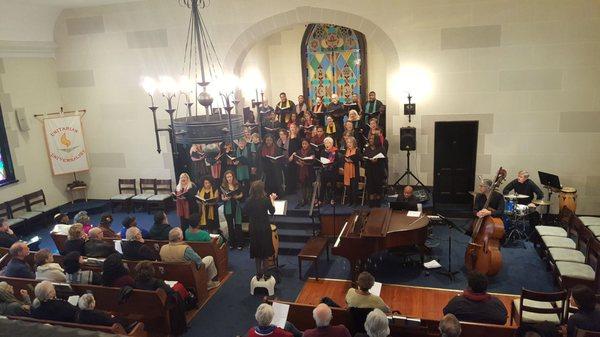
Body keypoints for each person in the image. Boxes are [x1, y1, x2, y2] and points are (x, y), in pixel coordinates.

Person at [443, 272, 508, 325]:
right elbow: (503, 320)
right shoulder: (496, 304)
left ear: (469, 288)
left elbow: (446, 313)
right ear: (485, 289)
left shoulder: (456, 303)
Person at [243, 181, 276, 280]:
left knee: (257, 253)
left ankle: (258, 274)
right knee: (265, 253)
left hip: (254, 228)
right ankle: (266, 274)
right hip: (264, 228)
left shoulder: (249, 200)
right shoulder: (265, 199)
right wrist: (272, 200)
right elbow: (272, 211)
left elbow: (244, 212)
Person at [222, 170, 244, 249]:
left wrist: (237, 197)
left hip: (236, 206)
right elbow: (222, 198)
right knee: (230, 226)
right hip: (228, 206)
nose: (229, 178)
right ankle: (232, 243)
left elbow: (241, 194)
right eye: (227, 177)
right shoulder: (223, 186)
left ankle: (240, 244)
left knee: (238, 225)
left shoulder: (237, 184)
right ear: (225, 178)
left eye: (230, 176)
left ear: (233, 176)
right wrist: (226, 198)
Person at [290, 138, 315, 207]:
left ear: (308, 144)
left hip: (309, 171)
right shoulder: (298, 151)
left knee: (309, 186)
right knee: (302, 186)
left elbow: (313, 161)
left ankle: (309, 199)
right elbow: (295, 159)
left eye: (305, 144)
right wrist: (299, 162)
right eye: (303, 144)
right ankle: (303, 200)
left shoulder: (311, 151)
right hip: (300, 170)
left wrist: (305, 163)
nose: (304, 145)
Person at [363, 135, 386, 207]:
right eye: (370, 139)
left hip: (378, 170)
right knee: (370, 187)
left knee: (378, 187)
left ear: (376, 140)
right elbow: (364, 157)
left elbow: (384, 159)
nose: (370, 140)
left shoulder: (381, 148)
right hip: (369, 170)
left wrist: (377, 160)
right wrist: (368, 159)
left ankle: (377, 203)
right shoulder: (367, 148)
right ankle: (371, 203)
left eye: (372, 139)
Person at [319, 137, 339, 205]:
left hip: (332, 171)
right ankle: (321, 200)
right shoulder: (322, 151)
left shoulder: (335, 151)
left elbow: (337, 162)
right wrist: (323, 164)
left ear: (332, 144)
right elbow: (321, 160)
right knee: (322, 185)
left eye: (329, 143)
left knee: (333, 185)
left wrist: (331, 165)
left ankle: (333, 199)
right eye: (326, 143)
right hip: (325, 171)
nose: (327, 144)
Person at [343, 136, 360, 206]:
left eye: (350, 142)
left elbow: (359, 159)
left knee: (354, 187)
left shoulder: (356, 150)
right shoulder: (345, 150)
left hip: (354, 171)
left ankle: (355, 202)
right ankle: (349, 202)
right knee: (348, 188)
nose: (349, 144)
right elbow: (343, 159)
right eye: (347, 142)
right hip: (347, 171)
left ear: (354, 143)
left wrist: (351, 160)